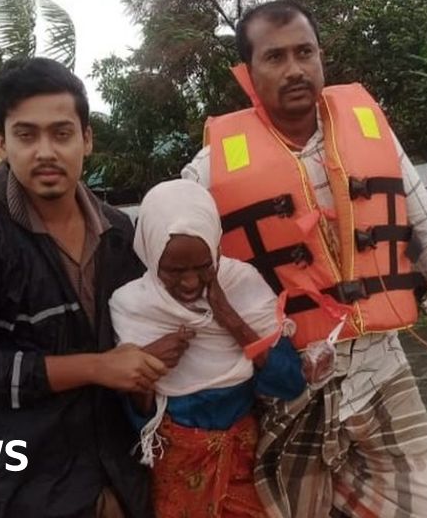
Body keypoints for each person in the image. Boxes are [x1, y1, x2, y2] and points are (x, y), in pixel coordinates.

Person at [182, 0, 427, 518]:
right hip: (287, 387)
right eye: (275, 57)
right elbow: (174, 255)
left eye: (305, 53)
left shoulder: (372, 132)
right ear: (250, 74)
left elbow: (425, 224)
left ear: (321, 57)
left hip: (381, 366)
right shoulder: (209, 168)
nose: (295, 69)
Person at [0, 57, 191, 518]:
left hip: (124, 476)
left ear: (86, 140)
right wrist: (96, 367)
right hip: (28, 491)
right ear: (0, 143)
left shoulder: (119, 233)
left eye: (62, 133)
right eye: (26, 135)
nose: (45, 151)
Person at [112, 179, 309, 518]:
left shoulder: (242, 284)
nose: (190, 283)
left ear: (217, 247)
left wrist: (231, 319)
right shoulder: (132, 306)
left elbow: (290, 382)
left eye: (204, 267)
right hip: (177, 467)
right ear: (149, 252)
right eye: (174, 271)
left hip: (248, 460)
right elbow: (137, 416)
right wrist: (146, 366)